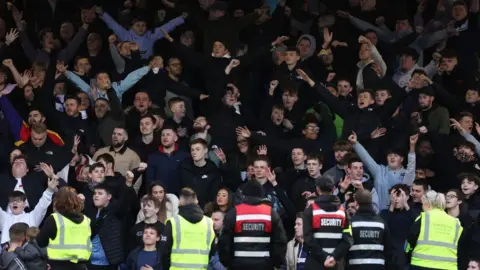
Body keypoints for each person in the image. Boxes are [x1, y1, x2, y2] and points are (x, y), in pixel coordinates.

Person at [218, 179, 287, 270]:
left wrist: (227, 263)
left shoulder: (234, 213)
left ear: (244, 195)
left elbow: (224, 242)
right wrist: (277, 263)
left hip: (238, 265)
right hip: (264, 265)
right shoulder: (270, 213)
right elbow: (280, 241)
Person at [303, 176, 353, 270]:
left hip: (315, 263)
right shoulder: (343, 212)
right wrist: (334, 257)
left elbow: (308, 239)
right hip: (336, 264)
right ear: (334, 189)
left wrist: (325, 257)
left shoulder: (310, 211)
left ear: (317, 189)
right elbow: (348, 239)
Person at [36, 187, 92, 270]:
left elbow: (40, 242)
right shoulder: (86, 220)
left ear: (57, 201)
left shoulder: (54, 219)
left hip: (58, 266)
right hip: (81, 266)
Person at [406, 190, 464, 270]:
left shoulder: (424, 218)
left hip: (421, 264)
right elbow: (461, 245)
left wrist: (407, 254)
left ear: (427, 203)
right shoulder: (456, 222)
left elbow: (411, 239)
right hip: (448, 266)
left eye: (423, 204)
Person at [161, 188, 215, 269]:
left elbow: (164, 251)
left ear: (180, 202)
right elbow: (212, 251)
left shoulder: (173, 222)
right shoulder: (209, 222)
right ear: (196, 202)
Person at [347, 189, 393, 270]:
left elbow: (345, 245)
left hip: (356, 266)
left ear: (356, 203)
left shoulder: (351, 223)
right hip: (378, 266)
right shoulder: (381, 223)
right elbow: (388, 249)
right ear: (371, 202)